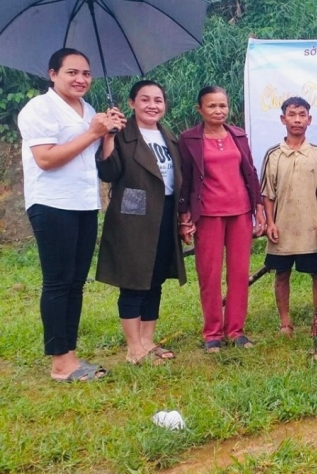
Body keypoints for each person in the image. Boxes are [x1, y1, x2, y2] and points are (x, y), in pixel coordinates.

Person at [17, 48, 125, 381]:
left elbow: (99, 162)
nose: (81, 79)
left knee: (76, 283)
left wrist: (107, 135)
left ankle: (71, 356)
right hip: (51, 203)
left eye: (86, 74)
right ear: (53, 74)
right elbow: (46, 159)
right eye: (72, 72)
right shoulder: (39, 108)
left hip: (84, 203)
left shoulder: (89, 110)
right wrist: (92, 132)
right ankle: (60, 363)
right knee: (58, 282)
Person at [96, 80, 185, 365]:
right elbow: (109, 172)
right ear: (132, 103)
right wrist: (108, 137)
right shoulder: (123, 135)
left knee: (155, 279)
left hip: (165, 213)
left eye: (158, 100)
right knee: (134, 282)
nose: (152, 105)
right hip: (134, 217)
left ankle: (148, 340)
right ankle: (134, 348)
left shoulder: (168, 135)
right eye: (144, 99)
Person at [178, 86, 265, 352]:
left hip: (240, 212)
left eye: (222, 106)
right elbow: (184, 179)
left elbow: (249, 171)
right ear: (200, 110)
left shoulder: (237, 135)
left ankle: (236, 330)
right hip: (208, 214)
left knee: (239, 274)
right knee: (210, 274)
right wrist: (184, 216)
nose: (218, 111)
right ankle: (212, 333)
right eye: (212, 106)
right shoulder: (189, 139)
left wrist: (258, 206)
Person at [261, 96, 317, 336]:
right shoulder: (273, 155)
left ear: (309, 120)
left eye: (302, 115)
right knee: (282, 274)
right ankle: (285, 322)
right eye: (292, 114)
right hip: (282, 227)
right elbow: (267, 193)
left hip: (311, 226)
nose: (297, 120)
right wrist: (270, 222)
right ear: (283, 119)